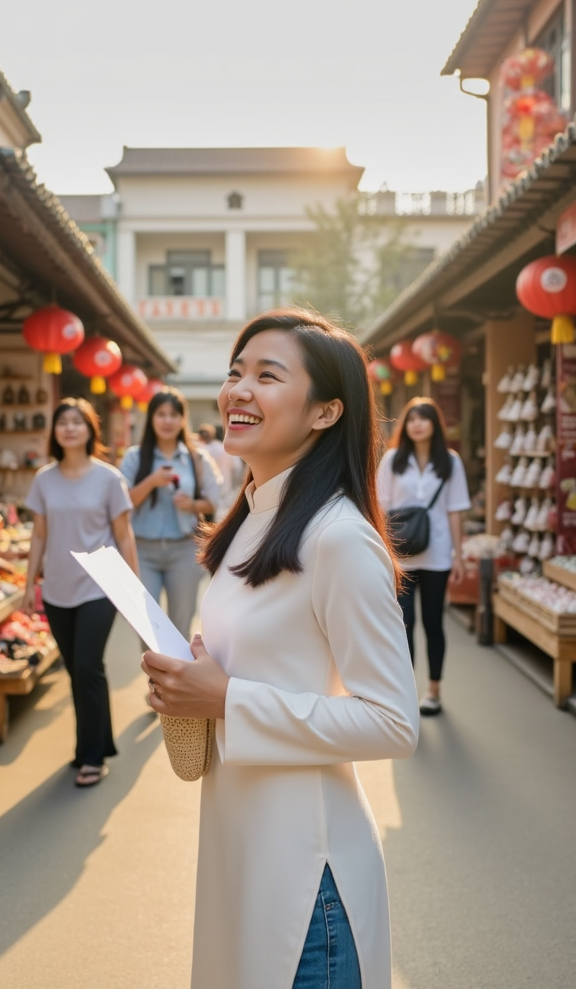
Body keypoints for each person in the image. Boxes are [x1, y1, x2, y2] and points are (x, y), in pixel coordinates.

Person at [142, 308, 419, 989]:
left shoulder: (338, 538)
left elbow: (393, 721)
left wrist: (228, 697)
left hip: (307, 879)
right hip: (244, 847)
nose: (238, 390)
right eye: (236, 372)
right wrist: (197, 678)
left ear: (326, 412)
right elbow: (264, 664)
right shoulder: (251, 522)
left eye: (267, 375)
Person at [23, 398, 139, 788]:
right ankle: (91, 744)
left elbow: (124, 535)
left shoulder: (109, 478)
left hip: (98, 586)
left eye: (78, 422)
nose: (70, 428)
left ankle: (92, 757)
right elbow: (39, 533)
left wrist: (132, 590)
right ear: (55, 431)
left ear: (91, 430)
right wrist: (29, 584)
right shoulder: (44, 479)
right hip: (56, 588)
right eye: (63, 422)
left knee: (88, 667)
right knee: (77, 672)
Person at [377, 397, 471, 717]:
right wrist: (381, 554)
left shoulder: (450, 462)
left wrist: (459, 555)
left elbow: (456, 510)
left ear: (435, 425)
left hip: (438, 553)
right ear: (405, 425)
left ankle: (434, 691)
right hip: (401, 555)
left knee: (433, 622)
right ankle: (407, 692)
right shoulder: (392, 460)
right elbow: (380, 509)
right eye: (412, 419)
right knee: (403, 624)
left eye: (424, 418)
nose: (417, 424)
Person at [119, 388, 221, 640]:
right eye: (161, 414)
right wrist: (151, 482)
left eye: (173, 415)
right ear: (151, 418)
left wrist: (192, 505)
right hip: (142, 552)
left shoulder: (197, 458)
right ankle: (155, 680)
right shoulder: (135, 457)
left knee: (180, 627)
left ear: (183, 419)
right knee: (147, 628)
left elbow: (212, 503)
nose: (167, 420)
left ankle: (175, 680)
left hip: (184, 550)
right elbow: (122, 503)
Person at [197, 422, 245, 520]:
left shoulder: (200, 450)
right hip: (226, 490)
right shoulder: (224, 449)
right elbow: (237, 469)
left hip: (206, 492)